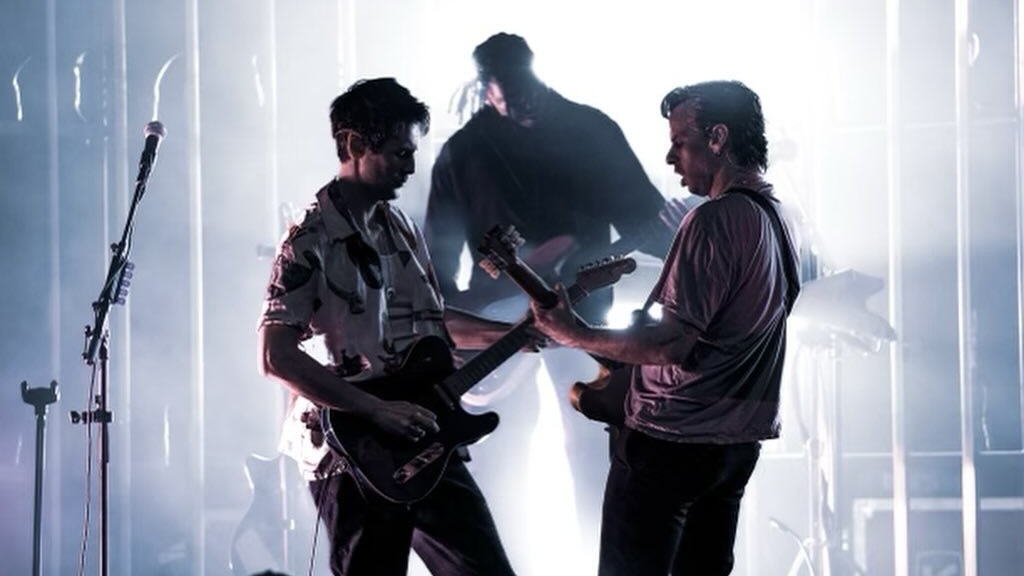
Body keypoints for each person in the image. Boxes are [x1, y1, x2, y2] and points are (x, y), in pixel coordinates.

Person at [423, 32, 685, 566]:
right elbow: (436, 268)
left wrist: (692, 245)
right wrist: (464, 328)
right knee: (499, 455)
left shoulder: (589, 132)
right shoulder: (463, 152)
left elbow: (645, 218)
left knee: (593, 449)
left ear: (536, 72)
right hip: (496, 331)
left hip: (584, 321)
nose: (516, 100)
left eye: (523, 86)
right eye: (502, 91)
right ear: (484, 88)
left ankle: (603, 564)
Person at [528, 80, 801, 576]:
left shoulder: (711, 220)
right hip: (734, 447)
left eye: (680, 141)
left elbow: (671, 344)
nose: (671, 157)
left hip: (672, 443)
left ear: (717, 137)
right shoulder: (778, 220)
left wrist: (572, 334)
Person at [257, 77, 523, 576]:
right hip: (351, 455)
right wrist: (376, 410)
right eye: (400, 153)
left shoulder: (400, 227)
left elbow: (433, 325)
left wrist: (518, 335)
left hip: (426, 437)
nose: (411, 166)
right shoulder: (307, 242)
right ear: (356, 144)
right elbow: (275, 356)